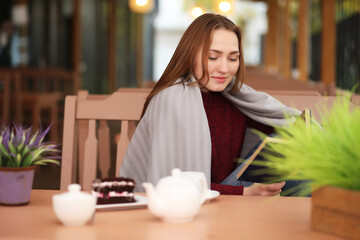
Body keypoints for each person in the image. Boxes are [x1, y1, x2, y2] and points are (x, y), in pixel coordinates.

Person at [120, 13, 300, 196]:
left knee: (301, 146)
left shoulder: (234, 97)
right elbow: (173, 187)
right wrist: (243, 192)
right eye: (213, 57)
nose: (224, 68)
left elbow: (279, 128)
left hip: (225, 196)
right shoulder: (171, 99)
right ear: (190, 55)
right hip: (182, 201)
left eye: (232, 58)